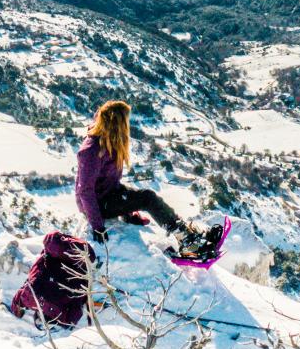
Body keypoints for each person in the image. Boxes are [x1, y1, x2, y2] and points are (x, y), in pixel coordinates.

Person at [74, 100, 220, 256]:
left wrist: (128, 211)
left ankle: (187, 234)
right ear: (117, 123)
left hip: (108, 195)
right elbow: (85, 190)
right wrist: (97, 226)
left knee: (147, 197)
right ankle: (188, 241)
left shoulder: (110, 140)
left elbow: (109, 182)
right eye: (125, 121)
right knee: (148, 198)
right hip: (99, 204)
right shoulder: (91, 150)